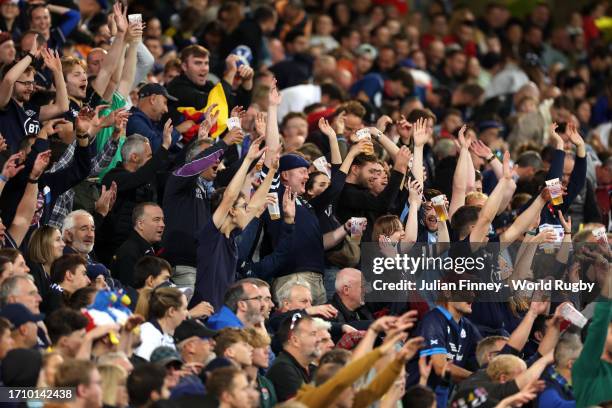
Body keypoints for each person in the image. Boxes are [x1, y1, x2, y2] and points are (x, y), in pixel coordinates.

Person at [190, 135, 276, 310]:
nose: (248, 210)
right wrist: (248, 160)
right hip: (207, 312)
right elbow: (229, 197)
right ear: (231, 210)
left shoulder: (231, 235)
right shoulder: (211, 234)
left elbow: (255, 204)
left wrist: (272, 171)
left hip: (224, 311)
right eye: (243, 206)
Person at [98, 128, 172, 264]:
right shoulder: (114, 178)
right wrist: (165, 146)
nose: (152, 161)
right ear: (134, 157)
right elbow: (138, 178)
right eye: (150, 156)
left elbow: (173, 173)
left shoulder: (147, 180)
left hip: (139, 249)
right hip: (112, 252)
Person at [266, 313, 321, 401]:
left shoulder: (312, 369)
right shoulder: (282, 369)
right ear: (295, 340)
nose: (319, 339)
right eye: (313, 334)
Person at [112, 203, 165, 287]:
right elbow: (130, 290)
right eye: (156, 220)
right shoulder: (129, 252)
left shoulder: (154, 248)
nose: (162, 224)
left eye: (162, 220)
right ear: (140, 224)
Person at [133, 287, 189, 361]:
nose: (187, 313)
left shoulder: (166, 336)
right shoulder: (148, 334)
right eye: (184, 308)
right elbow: (143, 369)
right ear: (171, 311)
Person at [126, 83, 182, 152]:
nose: (166, 110)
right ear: (153, 99)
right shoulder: (134, 121)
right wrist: (178, 130)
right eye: (164, 102)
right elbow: (155, 147)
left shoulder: (150, 123)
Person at [27, 225, 65, 313]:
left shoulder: (55, 273)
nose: (63, 244)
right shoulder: (33, 270)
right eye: (58, 239)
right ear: (44, 243)